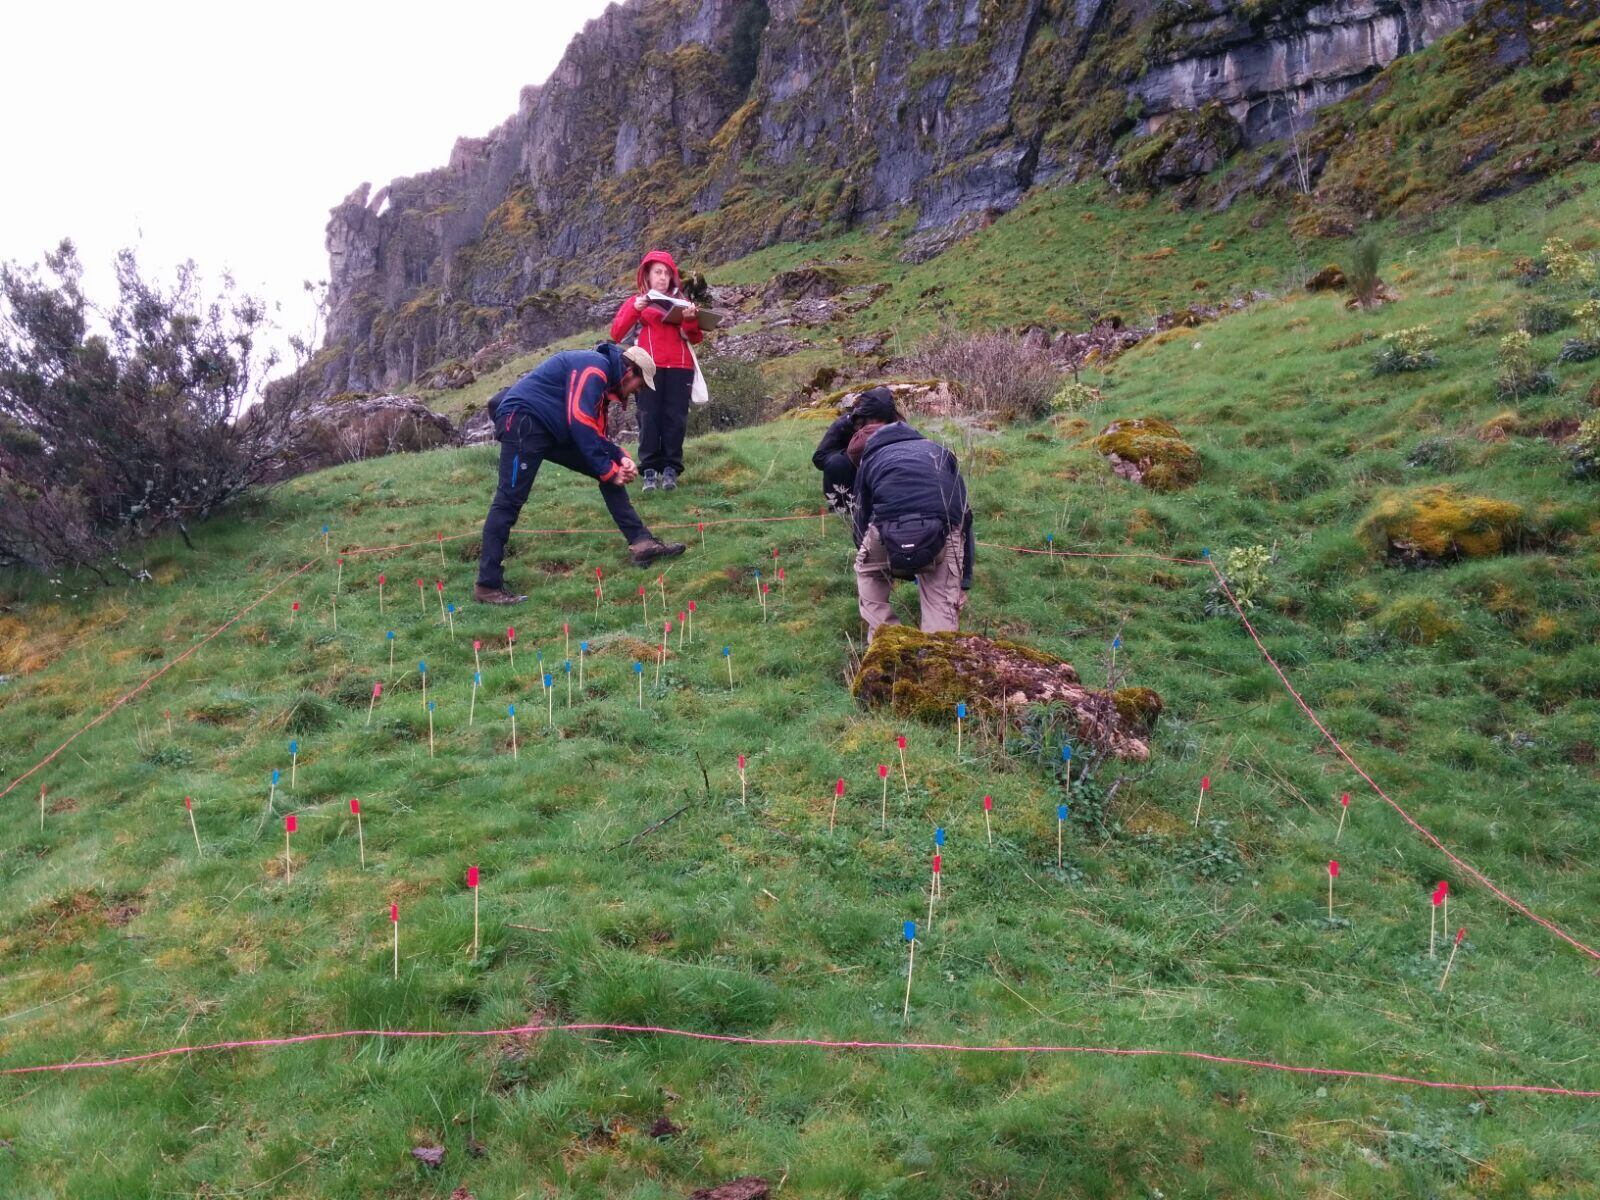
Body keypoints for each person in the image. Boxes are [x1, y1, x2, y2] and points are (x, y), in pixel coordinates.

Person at [473, 342, 685, 605]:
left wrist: (620, 458)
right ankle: (487, 586)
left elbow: (594, 435)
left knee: (610, 467)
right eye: (640, 386)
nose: (638, 392)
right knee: (508, 501)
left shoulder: (604, 383)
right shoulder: (594, 369)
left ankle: (642, 543)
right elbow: (580, 420)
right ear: (630, 372)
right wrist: (608, 470)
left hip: (552, 430)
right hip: (523, 423)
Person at [849, 413, 974, 640]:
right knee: (940, 602)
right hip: (943, 526)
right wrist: (963, 581)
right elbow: (965, 517)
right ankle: (938, 660)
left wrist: (871, 554)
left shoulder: (871, 458)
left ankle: (888, 641)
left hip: (887, 525)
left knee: (868, 572)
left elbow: (861, 517)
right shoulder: (940, 452)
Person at [609, 250, 704, 492]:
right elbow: (617, 333)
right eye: (657, 273)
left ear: (673, 277)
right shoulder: (638, 300)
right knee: (648, 417)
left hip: (681, 368)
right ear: (647, 276)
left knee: (675, 419)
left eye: (667, 273)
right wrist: (636, 309)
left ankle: (671, 469)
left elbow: (695, 337)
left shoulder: (683, 302)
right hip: (648, 368)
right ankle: (649, 470)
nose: (662, 278)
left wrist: (691, 319)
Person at [812, 386, 901, 513]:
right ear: (863, 416)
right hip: (850, 475)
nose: (879, 426)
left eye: (884, 421)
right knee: (836, 462)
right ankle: (842, 508)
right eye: (875, 420)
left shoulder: (897, 424)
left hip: (885, 474)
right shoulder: (844, 425)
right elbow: (819, 458)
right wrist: (853, 454)